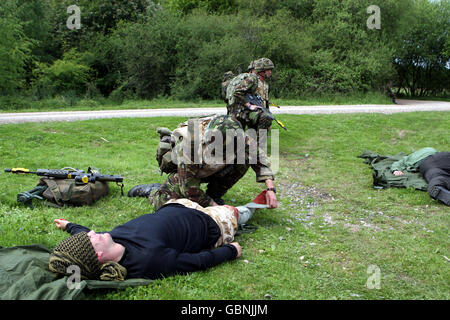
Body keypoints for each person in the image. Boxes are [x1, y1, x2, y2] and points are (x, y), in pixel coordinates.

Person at [48, 198, 242, 280]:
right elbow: (197, 261)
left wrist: (69, 225)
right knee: (233, 210)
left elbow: (84, 237)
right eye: (90, 238)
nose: (92, 233)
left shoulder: (109, 241)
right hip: (209, 224)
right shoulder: (149, 260)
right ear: (98, 255)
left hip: (175, 205)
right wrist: (231, 251)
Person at [129, 114, 278, 209]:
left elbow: (261, 161)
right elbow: (189, 189)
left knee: (244, 160)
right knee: (167, 203)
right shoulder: (191, 147)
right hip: (185, 172)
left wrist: (270, 190)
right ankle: (154, 191)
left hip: (208, 168)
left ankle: (214, 193)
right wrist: (215, 208)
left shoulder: (240, 139)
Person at [225, 57, 275, 130]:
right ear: (261, 71)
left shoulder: (264, 83)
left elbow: (265, 100)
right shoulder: (252, 79)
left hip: (253, 112)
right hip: (241, 111)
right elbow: (237, 92)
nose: (270, 72)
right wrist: (249, 105)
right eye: (268, 70)